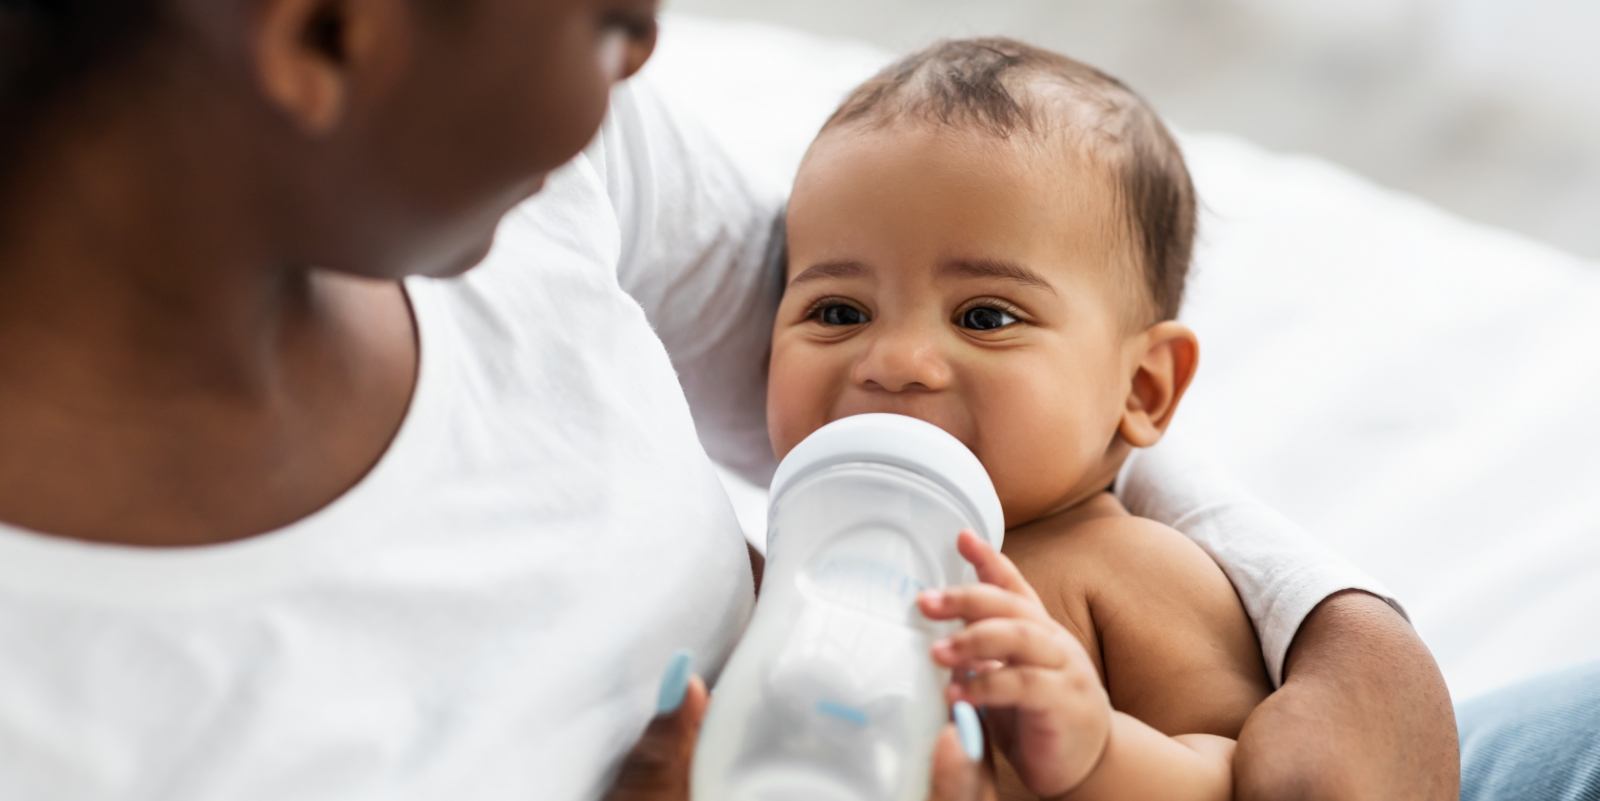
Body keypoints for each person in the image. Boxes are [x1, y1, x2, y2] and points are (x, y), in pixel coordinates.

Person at [0, 1, 1468, 799]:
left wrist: (1339, 628)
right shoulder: (70, 721)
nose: (644, 43)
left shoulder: (544, 184)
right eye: (596, 20)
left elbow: (979, 392)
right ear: (327, 33)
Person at [761, 37, 1269, 799]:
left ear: (1142, 388)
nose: (896, 360)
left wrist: (1097, 753)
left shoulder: (1133, 568)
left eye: (986, 316)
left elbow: (1242, 776)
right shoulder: (800, 561)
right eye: (839, 310)